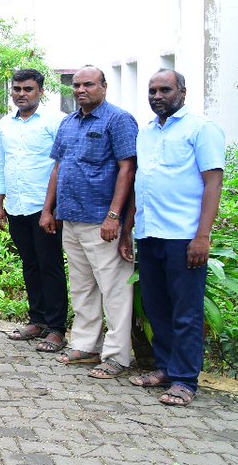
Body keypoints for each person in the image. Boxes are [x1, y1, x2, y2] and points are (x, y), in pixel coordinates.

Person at [125, 70, 225, 406]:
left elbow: (212, 183)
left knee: (186, 310)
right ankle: (166, 368)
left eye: (164, 89)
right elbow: (142, 181)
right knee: (156, 306)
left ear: (182, 91)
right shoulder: (147, 132)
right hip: (150, 232)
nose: (156, 96)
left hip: (184, 235)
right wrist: (129, 228)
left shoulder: (201, 129)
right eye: (152, 90)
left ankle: (185, 380)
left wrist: (203, 237)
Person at [41, 66, 138, 378]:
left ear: (104, 87)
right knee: (82, 288)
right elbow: (58, 168)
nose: (81, 90)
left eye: (88, 84)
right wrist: (48, 209)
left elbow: (128, 169)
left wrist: (114, 216)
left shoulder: (118, 120)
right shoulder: (67, 123)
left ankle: (117, 357)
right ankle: (85, 345)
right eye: (77, 85)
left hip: (102, 222)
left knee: (114, 291)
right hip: (70, 218)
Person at [0, 70, 67, 353]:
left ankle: (57, 328)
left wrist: (53, 208)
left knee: (50, 266)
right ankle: (37, 320)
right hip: (17, 206)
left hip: (44, 207)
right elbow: (1, 165)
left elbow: (62, 166)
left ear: (41, 91)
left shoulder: (55, 121)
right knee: (30, 264)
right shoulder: (5, 125)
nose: (21, 94)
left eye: (28, 89)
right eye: (17, 89)